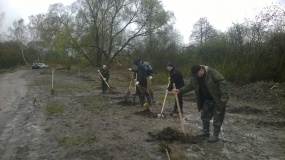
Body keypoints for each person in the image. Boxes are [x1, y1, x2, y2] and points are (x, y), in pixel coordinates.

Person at [173, 65, 229, 143]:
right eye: (194, 74)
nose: (196, 76)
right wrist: (179, 90)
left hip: (218, 99)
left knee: (218, 117)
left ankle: (215, 135)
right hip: (207, 99)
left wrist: (224, 94)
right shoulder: (195, 78)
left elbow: (222, 81)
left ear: (201, 70)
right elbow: (189, 86)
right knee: (205, 115)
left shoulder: (211, 72)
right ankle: (205, 131)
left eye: (197, 74)